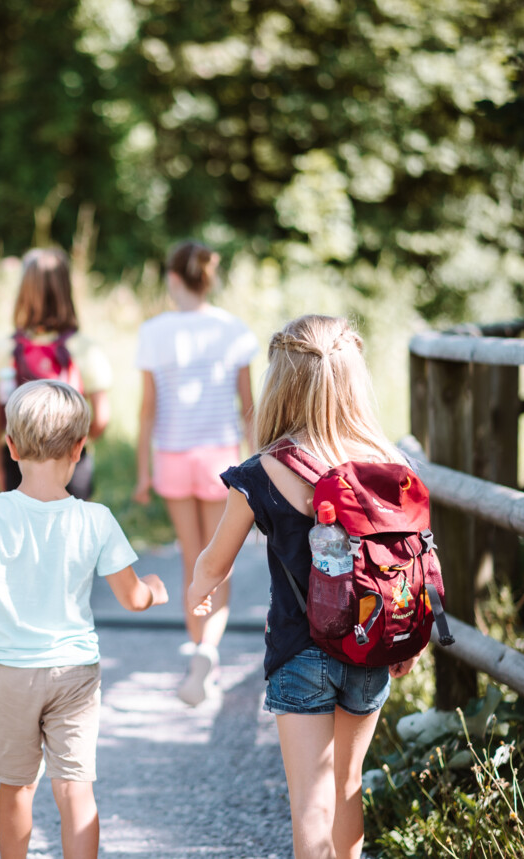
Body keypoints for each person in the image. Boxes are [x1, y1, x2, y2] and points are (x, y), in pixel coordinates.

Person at [186, 315, 420, 859]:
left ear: (281, 385)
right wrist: (406, 634)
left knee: (308, 807)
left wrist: (199, 584)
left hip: (299, 653)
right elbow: (416, 554)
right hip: (371, 647)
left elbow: (216, 562)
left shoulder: (262, 471)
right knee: (347, 786)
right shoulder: (390, 464)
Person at [0, 379, 168, 859]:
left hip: (9, 674)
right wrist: (155, 591)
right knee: (75, 789)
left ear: (10, 446)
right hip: (74, 674)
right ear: (80, 449)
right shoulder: (96, 519)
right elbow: (132, 597)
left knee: (16, 786)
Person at [132, 239, 257, 706]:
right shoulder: (233, 330)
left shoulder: (153, 331)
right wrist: (259, 469)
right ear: (209, 279)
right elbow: (248, 409)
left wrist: (143, 472)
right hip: (221, 459)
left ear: (171, 279)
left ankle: (197, 657)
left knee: (192, 561)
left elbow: (147, 409)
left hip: (172, 458)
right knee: (217, 564)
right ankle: (208, 651)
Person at [0, 248, 112, 500]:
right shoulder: (84, 348)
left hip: (17, 462)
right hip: (72, 464)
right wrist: (78, 447)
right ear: (66, 291)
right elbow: (102, 418)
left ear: (23, 293)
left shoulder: (4, 350)